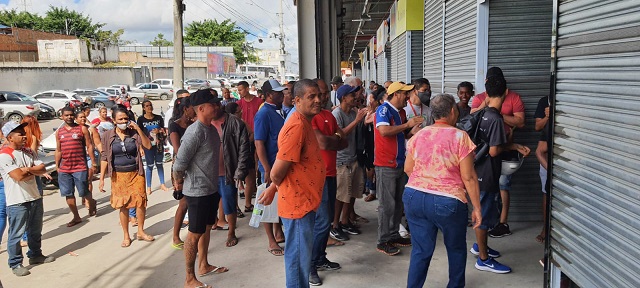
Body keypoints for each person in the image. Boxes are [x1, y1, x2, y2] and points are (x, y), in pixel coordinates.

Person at [403, 93, 483, 287]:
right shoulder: (460, 136)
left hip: (414, 195)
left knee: (421, 250)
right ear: (453, 112)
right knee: (455, 249)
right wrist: (477, 208)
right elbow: (469, 177)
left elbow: (407, 168)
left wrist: (425, 183)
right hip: (447, 201)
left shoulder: (419, 134)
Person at [258, 79, 326, 288]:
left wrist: (272, 188)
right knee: (297, 263)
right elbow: (278, 172)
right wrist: (273, 185)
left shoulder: (304, 121)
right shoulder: (296, 125)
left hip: (305, 202)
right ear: (297, 100)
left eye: (319, 96)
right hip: (298, 206)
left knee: (301, 261)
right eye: (311, 97)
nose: (318, 100)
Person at [471, 69, 530, 273]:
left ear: (486, 93)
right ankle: (483, 259)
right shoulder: (496, 119)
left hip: (478, 169)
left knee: (482, 212)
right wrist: (513, 147)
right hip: (487, 172)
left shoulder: (483, 113)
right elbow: (495, 150)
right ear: (505, 92)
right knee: (483, 214)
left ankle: (480, 246)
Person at [173, 89, 229, 288]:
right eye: (213, 104)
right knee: (194, 234)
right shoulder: (195, 131)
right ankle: (189, 278)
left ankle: (203, 265)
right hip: (196, 192)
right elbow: (179, 163)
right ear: (201, 108)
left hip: (210, 189)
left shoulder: (211, 129)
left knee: (206, 229)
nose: (217, 107)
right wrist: (179, 183)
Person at [0, 121, 55, 277]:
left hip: (34, 197)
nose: (24, 136)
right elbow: (18, 176)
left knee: (35, 230)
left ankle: (35, 255)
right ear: (10, 137)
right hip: (17, 201)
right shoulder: (4, 155)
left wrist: (28, 169)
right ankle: (15, 263)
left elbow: (42, 168)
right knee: (16, 234)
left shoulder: (29, 152)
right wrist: (31, 171)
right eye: (20, 134)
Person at [374, 82, 423, 256]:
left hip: (399, 163)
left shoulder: (400, 112)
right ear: (396, 94)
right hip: (385, 164)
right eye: (405, 94)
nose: (408, 97)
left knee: (397, 203)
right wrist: (407, 126)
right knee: (387, 205)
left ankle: (393, 234)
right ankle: (383, 240)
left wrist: (411, 132)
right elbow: (384, 131)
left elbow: (399, 135)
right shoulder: (383, 111)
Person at [308, 78, 348, 285]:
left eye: (323, 94)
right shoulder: (310, 118)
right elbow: (324, 142)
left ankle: (320, 258)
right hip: (317, 177)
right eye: (317, 94)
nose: (322, 98)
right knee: (322, 221)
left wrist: (333, 139)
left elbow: (344, 142)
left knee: (326, 220)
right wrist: (334, 138)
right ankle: (311, 265)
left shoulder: (328, 116)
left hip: (331, 173)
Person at [98, 107, 154, 247]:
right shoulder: (107, 136)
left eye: (125, 119)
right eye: (120, 119)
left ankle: (141, 231)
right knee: (123, 205)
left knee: (140, 203)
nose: (123, 121)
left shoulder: (134, 133)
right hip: (118, 175)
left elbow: (148, 145)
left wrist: (138, 129)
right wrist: (101, 179)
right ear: (114, 120)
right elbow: (104, 157)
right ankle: (126, 235)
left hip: (136, 173)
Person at [212, 95, 251, 247]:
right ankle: (215, 223)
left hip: (227, 171)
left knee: (229, 202)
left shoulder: (234, 122)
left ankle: (231, 232)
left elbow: (243, 148)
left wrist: (239, 173)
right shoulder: (203, 123)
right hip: (208, 173)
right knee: (209, 205)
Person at [331, 84, 368, 245]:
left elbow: (360, 129)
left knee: (352, 193)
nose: (355, 97)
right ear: (344, 98)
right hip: (341, 161)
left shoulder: (353, 112)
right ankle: (335, 224)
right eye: (352, 95)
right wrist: (358, 120)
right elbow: (340, 134)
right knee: (341, 195)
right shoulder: (336, 114)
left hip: (354, 158)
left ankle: (345, 221)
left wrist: (365, 119)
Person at [254, 79, 287, 256]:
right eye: (277, 92)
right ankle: (271, 241)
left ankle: (278, 231)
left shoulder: (279, 111)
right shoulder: (263, 113)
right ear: (268, 95)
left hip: (280, 165)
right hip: (270, 167)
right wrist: (266, 168)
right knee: (267, 202)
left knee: (278, 201)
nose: (281, 94)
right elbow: (259, 143)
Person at [55, 106, 97, 227]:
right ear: (62, 116)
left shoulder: (82, 129)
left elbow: (89, 146)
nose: (69, 117)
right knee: (68, 193)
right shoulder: (59, 132)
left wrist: (93, 162)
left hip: (80, 167)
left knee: (84, 191)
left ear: (74, 116)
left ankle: (92, 202)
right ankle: (76, 216)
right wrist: (57, 166)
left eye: (71, 115)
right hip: (64, 168)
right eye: (66, 115)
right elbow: (58, 150)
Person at [20, 116, 51, 246]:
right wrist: (41, 171)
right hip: (32, 174)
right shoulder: (32, 137)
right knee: (34, 206)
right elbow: (33, 157)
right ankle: (27, 237)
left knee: (23, 205)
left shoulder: (17, 138)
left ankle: (24, 236)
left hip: (22, 174)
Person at [168, 96, 195, 249]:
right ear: (186, 109)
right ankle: (176, 237)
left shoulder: (193, 124)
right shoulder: (174, 126)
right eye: (193, 108)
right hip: (181, 167)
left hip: (193, 165)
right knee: (184, 203)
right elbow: (178, 150)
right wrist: (179, 178)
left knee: (191, 202)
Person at [236, 81, 262, 213]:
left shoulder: (258, 102)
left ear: (247, 89)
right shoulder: (238, 104)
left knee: (258, 159)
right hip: (244, 139)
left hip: (257, 135)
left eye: (241, 89)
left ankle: (256, 183)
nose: (239, 92)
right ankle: (243, 187)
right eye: (238, 90)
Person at [137, 101, 168, 194]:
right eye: (146, 106)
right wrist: (140, 147)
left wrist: (159, 131)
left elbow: (164, 130)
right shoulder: (141, 119)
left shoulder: (158, 118)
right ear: (143, 108)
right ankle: (149, 187)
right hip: (147, 146)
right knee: (150, 166)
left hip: (158, 145)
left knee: (159, 164)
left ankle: (162, 184)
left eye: (150, 105)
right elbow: (139, 134)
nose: (149, 107)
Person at [363, 88, 386, 202]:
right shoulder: (370, 112)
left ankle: (374, 190)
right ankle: (371, 189)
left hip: (377, 144)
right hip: (369, 144)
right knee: (370, 169)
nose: (369, 102)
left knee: (375, 170)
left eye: (371, 99)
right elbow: (365, 123)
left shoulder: (380, 112)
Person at [534, 95, 550, 243]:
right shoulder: (544, 101)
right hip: (546, 161)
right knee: (546, 194)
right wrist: (547, 117)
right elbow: (538, 126)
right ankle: (545, 229)